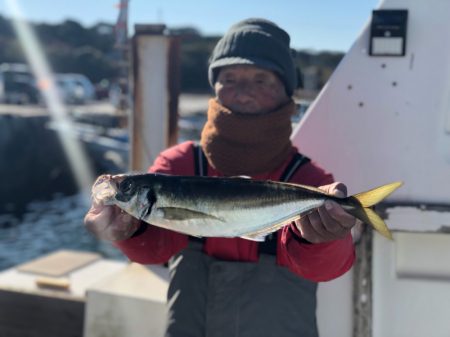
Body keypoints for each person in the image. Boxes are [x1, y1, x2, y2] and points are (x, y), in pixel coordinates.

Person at [85, 18, 357, 337]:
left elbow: (327, 268)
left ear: (286, 90)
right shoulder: (180, 163)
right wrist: (128, 231)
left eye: (261, 80)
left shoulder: (309, 179)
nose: (243, 92)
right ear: (214, 87)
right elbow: (157, 249)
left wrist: (322, 239)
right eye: (230, 78)